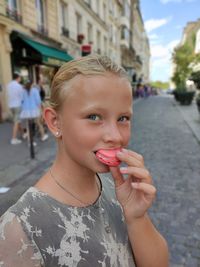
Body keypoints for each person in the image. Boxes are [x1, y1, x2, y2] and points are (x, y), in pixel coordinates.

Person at [0, 55, 169, 266]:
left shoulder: (117, 188)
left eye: (123, 118)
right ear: (54, 122)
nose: (115, 136)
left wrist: (137, 218)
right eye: (94, 117)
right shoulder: (21, 228)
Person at [20, 80, 48, 145]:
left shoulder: (23, 91)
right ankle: (43, 136)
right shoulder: (35, 90)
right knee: (39, 123)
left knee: (28, 127)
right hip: (34, 110)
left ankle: (30, 142)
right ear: (32, 84)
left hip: (26, 111)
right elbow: (38, 101)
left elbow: (21, 101)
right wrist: (41, 109)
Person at [7, 72, 23, 145]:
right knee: (16, 122)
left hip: (11, 105)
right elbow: (22, 96)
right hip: (17, 105)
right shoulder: (19, 86)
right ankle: (13, 139)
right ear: (17, 77)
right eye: (20, 77)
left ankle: (23, 133)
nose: (20, 79)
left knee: (17, 120)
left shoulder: (8, 85)